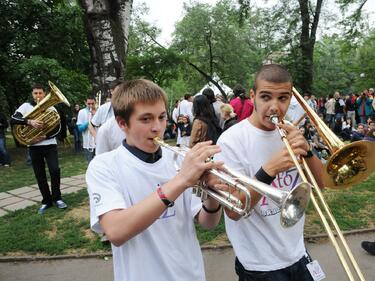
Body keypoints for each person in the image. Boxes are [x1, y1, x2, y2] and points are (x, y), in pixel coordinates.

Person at [86, 79, 223, 281]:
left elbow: (208, 223)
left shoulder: (179, 159)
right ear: (122, 123)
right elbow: (116, 231)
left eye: (162, 117)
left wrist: (212, 196)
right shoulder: (104, 166)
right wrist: (181, 180)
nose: (157, 127)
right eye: (146, 119)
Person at [215, 64, 324, 281]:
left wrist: (309, 154)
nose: (274, 106)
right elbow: (234, 212)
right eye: (266, 97)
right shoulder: (231, 141)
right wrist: (269, 170)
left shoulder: (290, 133)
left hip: (298, 253)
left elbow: (320, 185)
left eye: (283, 98)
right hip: (259, 265)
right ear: (253, 96)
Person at [10, 83, 67, 214]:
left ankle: (57, 198)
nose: (38, 96)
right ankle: (46, 201)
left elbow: (58, 128)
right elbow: (13, 119)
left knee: (55, 170)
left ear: (45, 94)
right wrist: (29, 122)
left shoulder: (51, 107)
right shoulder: (26, 106)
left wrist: (45, 136)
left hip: (50, 145)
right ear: (32, 94)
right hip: (34, 147)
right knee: (40, 175)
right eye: (35, 93)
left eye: (40, 93)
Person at [77, 95, 96, 163]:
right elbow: (80, 129)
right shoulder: (82, 112)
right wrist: (88, 122)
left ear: (95, 102)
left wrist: (95, 115)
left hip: (98, 143)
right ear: (85, 103)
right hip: (88, 144)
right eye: (88, 104)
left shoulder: (99, 111)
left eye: (92, 103)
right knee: (90, 165)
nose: (90, 105)